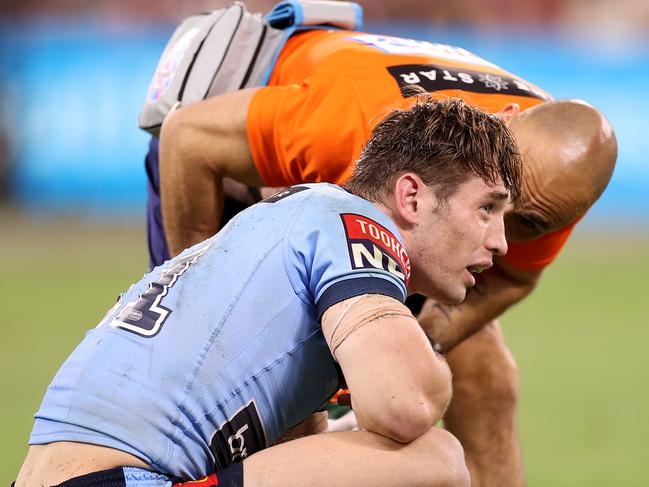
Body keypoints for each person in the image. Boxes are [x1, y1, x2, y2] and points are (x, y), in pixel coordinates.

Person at [149, 28, 617, 486]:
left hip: (382, 215)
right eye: (497, 206)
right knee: (281, 386)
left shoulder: (556, 177)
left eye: (526, 222)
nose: (502, 236)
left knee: (486, 377)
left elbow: (513, 278)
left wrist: (419, 343)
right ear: (505, 123)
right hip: (246, 171)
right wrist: (205, 308)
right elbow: (187, 140)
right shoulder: (353, 118)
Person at [16, 97, 521, 487]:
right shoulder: (360, 227)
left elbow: (293, 444)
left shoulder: (287, 216)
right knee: (438, 459)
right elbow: (403, 403)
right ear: (411, 196)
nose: (500, 241)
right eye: (486, 209)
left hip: (65, 472)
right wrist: (431, 357)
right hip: (123, 478)